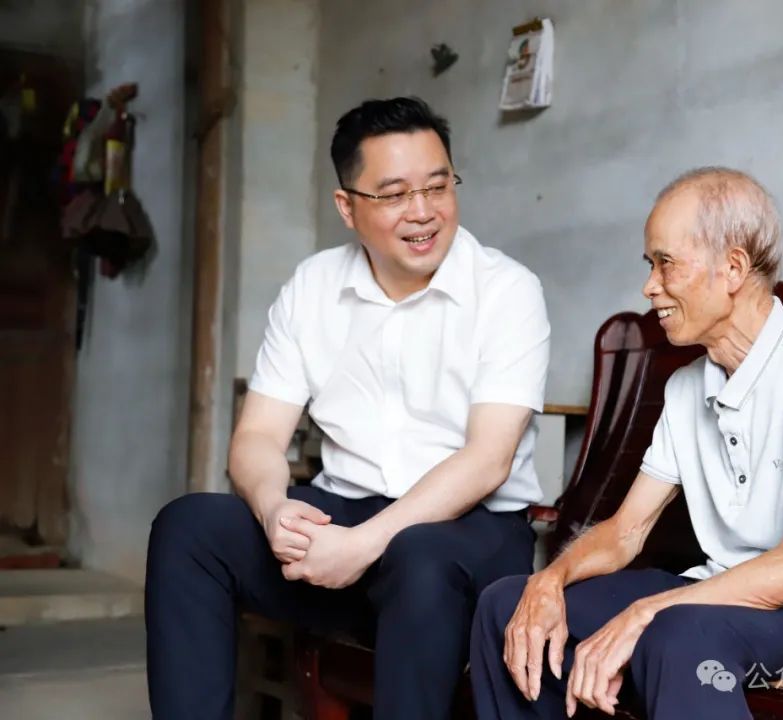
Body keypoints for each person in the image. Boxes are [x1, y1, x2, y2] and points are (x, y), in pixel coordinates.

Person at [470, 167, 783, 720]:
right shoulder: (688, 387)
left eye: (666, 263)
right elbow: (625, 531)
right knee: (508, 604)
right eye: (650, 265)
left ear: (733, 268)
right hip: (718, 594)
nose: (649, 286)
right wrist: (550, 580)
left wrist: (645, 611)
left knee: (679, 637)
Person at [145, 97, 550, 720]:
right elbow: (257, 436)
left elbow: (488, 460)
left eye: (437, 186)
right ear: (347, 206)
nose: (423, 211)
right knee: (189, 528)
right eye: (394, 194)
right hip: (346, 517)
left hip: (470, 534)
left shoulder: (506, 290)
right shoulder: (312, 286)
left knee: (420, 557)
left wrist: (364, 545)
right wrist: (275, 509)